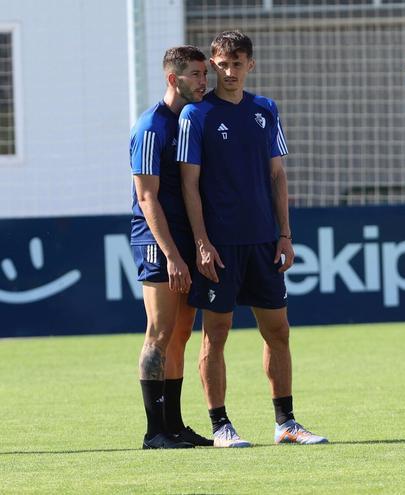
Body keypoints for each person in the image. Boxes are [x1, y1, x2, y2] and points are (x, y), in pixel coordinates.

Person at [178, 30, 328, 448]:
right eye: (222, 65)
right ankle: (220, 425)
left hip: (264, 240)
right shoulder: (196, 115)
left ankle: (286, 423)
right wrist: (202, 242)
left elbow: (278, 175)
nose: (229, 72)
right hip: (220, 245)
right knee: (217, 334)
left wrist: (284, 234)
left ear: (250, 65)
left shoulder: (265, 109)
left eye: (237, 63)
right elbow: (190, 185)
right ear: (213, 65)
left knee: (278, 331)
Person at [130, 45, 213, 449]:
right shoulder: (151, 126)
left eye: (204, 73)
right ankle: (153, 431)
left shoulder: (190, 122)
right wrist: (172, 254)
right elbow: (147, 198)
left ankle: (175, 426)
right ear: (172, 79)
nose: (204, 81)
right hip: (157, 242)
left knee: (181, 333)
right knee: (159, 332)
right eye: (196, 74)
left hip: (184, 241)